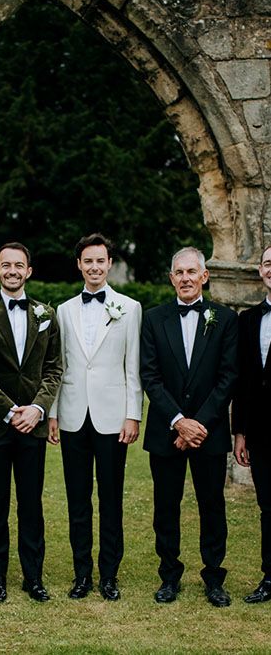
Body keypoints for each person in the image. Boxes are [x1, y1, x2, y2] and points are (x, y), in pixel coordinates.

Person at [0, 242, 62, 603]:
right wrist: (9, 410)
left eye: (19, 265)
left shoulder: (46, 313)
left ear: (29, 271)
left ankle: (33, 578)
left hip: (33, 425)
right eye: (6, 265)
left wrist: (36, 409)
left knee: (31, 502)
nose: (12, 271)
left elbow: (54, 369)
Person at [140, 246, 238, 607]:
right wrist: (180, 422)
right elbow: (149, 376)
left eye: (191, 271)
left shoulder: (224, 319)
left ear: (204, 276)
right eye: (178, 272)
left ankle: (214, 576)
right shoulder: (153, 319)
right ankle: (169, 575)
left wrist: (199, 424)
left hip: (208, 432)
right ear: (171, 278)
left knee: (212, 504)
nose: (185, 278)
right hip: (167, 429)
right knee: (166, 505)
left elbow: (228, 377)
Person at [48, 233, 142, 602]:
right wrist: (53, 413)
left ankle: (109, 576)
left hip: (112, 416)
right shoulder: (64, 310)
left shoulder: (130, 308)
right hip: (72, 414)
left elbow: (132, 366)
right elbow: (60, 366)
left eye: (100, 261)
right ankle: (81, 574)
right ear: (79, 265)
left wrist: (132, 414)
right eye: (88, 261)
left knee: (111, 498)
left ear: (109, 263)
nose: (94, 267)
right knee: (77, 498)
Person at [233, 245, 271, 604]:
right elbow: (244, 380)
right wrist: (240, 432)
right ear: (260, 270)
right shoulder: (248, 319)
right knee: (268, 505)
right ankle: (269, 575)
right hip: (259, 431)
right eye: (268, 263)